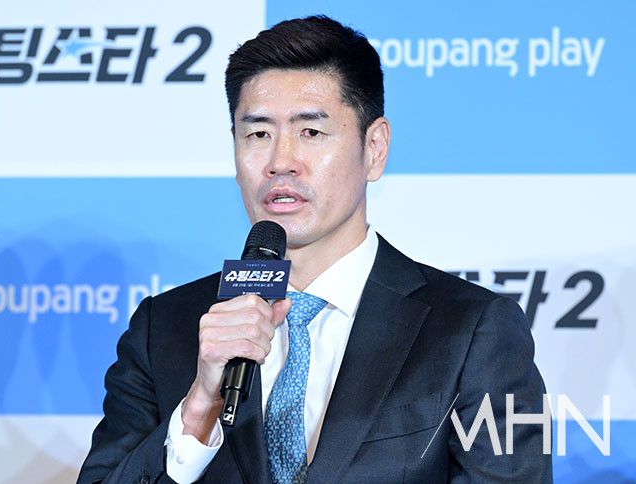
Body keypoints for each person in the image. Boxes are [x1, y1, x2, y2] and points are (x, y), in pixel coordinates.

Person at [78, 15, 552, 484]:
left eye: (311, 132)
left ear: (374, 148)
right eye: (258, 134)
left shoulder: (472, 331)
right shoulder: (164, 328)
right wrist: (199, 409)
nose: (280, 162)